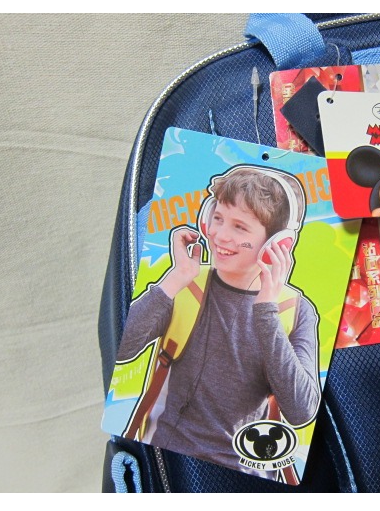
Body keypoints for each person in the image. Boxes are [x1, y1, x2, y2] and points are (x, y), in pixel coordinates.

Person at [116, 166, 320, 477]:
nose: (220, 235)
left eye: (240, 227)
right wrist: (176, 277)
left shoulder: (294, 309)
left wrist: (267, 310)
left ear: (277, 244)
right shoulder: (185, 286)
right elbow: (122, 349)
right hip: (169, 459)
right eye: (218, 218)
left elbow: (301, 411)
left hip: (246, 474)